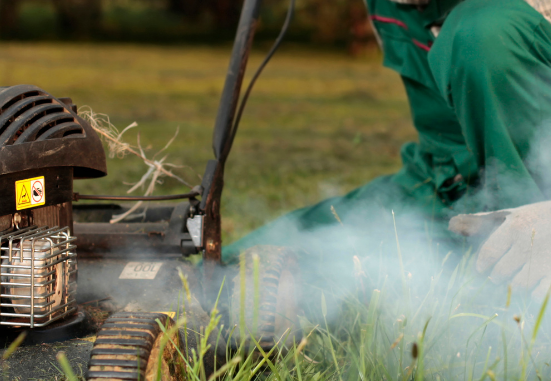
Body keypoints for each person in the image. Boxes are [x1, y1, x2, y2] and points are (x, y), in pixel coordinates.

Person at [224, 0, 551, 297]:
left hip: (537, 205)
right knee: (243, 264)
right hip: (439, 180)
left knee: (483, 33)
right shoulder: (385, 4)